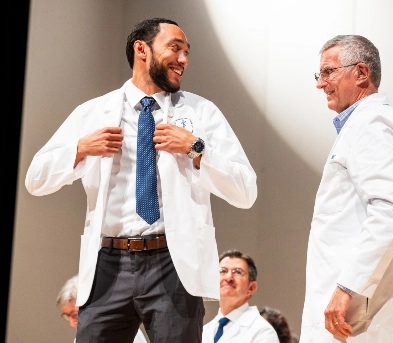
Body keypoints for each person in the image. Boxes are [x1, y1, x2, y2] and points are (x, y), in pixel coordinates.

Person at [26, 18, 257, 343]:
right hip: (108, 263)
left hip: (172, 265)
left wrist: (196, 148)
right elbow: (36, 178)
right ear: (141, 49)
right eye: (175, 48)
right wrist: (80, 149)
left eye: (187, 52)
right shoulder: (93, 113)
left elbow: (245, 190)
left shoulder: (201, 113)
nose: (184, 60)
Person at [300, 35, 393, 342]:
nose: (320, 83)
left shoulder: (371, 122)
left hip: (359, 311)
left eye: (328, 72)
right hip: (356, 307)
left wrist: (346, 288)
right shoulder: (364, 124)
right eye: (320, 74)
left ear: (361, 73)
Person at [202, 249, 279, 342]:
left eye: (237, 272)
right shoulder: (204, 331)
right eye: (223, 271)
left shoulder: (262, 332)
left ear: (251, 288)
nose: (228, 277)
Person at [56, 274, 147, 343]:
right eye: (68, 316)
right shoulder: (81, 338)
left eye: (75, 315)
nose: (72, 323)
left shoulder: (122, 330)